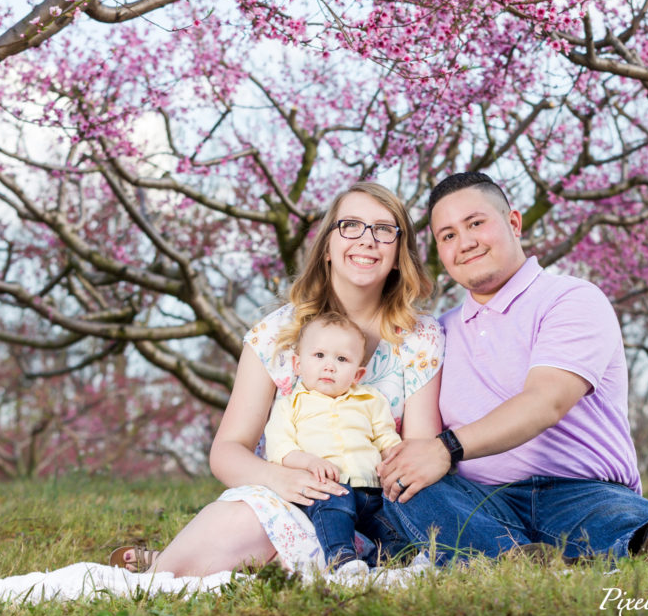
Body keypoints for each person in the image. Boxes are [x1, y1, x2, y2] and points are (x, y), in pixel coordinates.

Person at [379, 172, 648, 564]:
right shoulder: (437, 333)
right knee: (407, 488)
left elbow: (546, 400)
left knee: (615, 520)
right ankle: (515, 560)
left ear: (513, 222)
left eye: (476, 223)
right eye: (448, 235)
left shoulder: (570, 299)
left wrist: (447, 448)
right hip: (480, 498)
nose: (466, 242)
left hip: (579, 491)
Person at [109, 183, 444, 576]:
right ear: (327, 246)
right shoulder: (275, 333)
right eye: (351, 225)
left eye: (384, 229)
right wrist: (279, 479)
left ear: (399, 252)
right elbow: (228, 449)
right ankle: (162, 569)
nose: (367, 241)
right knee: (240, 521)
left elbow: (418, 451)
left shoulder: (419, 336)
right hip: (293, 498)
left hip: (379, 508)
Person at [265, 312, 407, 571]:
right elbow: (280, 448)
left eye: (342, 359)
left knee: (392, 525)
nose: (329, 366)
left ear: (357, 374)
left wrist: (394, 459)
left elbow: (387, 439)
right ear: (297, 364)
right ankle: (343, 560)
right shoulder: (290, 405)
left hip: (371, 489)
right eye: (319, 356)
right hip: (326, 489)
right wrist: (309, 462)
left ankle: (391, 563)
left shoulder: (371, 401)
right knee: (334, 510)